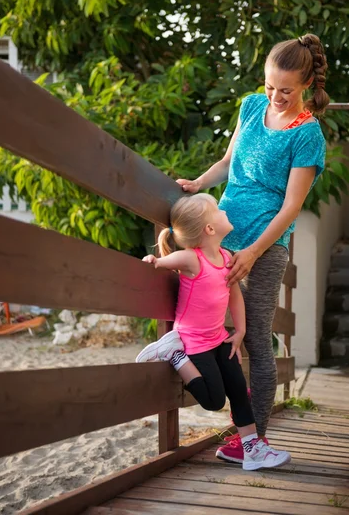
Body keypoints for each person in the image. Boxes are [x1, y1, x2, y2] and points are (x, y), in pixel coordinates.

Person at [172, 33, 327, 463]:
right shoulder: (251, 106)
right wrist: (199, 184)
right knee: (202, 326)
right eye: (270, 86)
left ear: (307, 86)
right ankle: (189, 373)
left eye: (286, 90)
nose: (275, 96)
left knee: (256, 340)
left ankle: (250, 439)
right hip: (218, 239)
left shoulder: (308, 136)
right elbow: (227, 162)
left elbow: (292, 206)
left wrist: (256, 251)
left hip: (264, 247)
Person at [136, 193, 291, 471]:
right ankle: (175, 356)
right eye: (218, 210)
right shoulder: (192, 259)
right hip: (194, 343)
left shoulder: (226, 257)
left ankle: (252, 449)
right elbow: (164, 262)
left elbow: (235, 297)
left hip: (220, 338)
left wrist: (241, 331)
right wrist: (154, 261)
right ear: (209, 229)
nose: (224, 210)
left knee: (240, 393)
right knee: (214, 400)